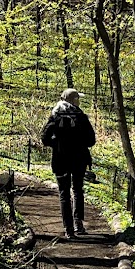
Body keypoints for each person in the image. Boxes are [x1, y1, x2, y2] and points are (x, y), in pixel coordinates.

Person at [40, 87, 96, 237]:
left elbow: (44, 138)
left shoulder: (55, 116)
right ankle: (78, 224)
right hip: (79, 160)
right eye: (78, 99)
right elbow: (91, 140)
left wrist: (57, 144)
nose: (79, 101)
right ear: (73, 100)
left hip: (60, 160)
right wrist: (79, 143)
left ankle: (68, 229)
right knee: (77, 190)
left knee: (64, 193)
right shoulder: (81, 117)